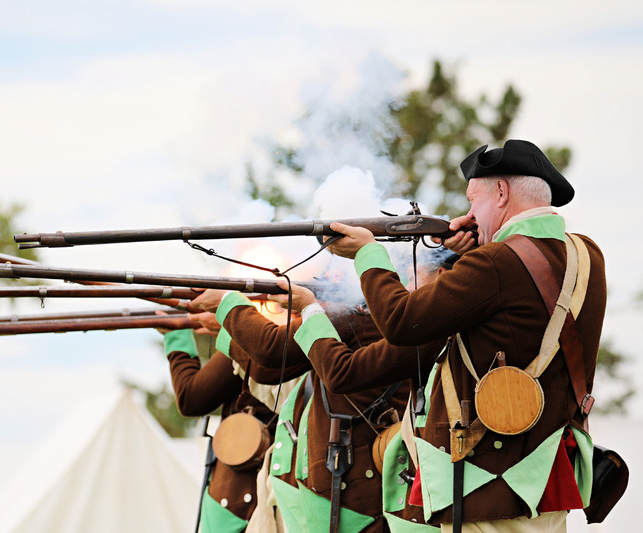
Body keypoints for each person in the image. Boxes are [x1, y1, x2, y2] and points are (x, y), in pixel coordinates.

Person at [311, 139, 605, 532]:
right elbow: (510, 313)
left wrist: (368, 253)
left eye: (473, 201)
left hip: (482, 492)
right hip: (546, 484)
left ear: (500, 193)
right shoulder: (587, 254)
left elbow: (401, 322)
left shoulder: (498, 262)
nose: (467, 215)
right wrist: (466, 253)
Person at [267, 247, 459, 533]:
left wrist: (309, 309)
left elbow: (335, 371)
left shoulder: (420, 324)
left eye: (411, 272)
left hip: (408, 484)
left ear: (441, 274)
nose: (403, 284)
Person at [160, 326, 279, 532]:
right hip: (282, 487)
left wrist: (176, 334)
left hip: (239, 498)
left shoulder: (255, 331)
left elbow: (190, 398)